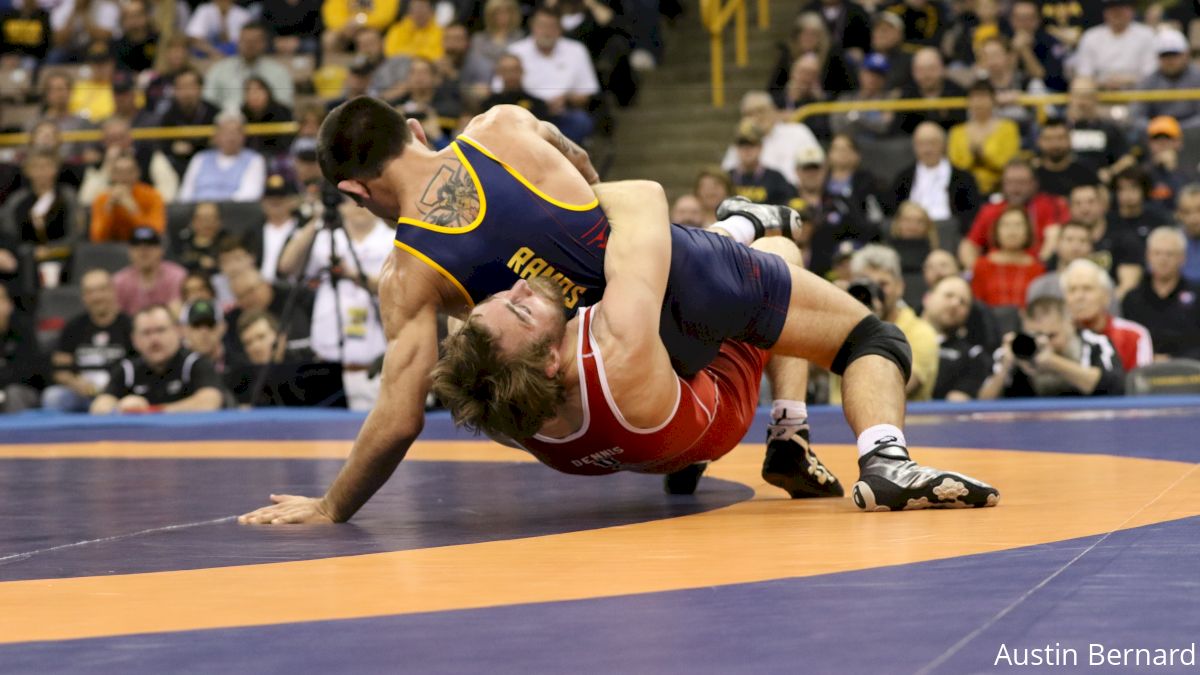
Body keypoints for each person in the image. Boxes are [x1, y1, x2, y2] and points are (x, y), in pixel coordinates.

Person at [239, 99, 998, 525]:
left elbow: (401, 417)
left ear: (354, 192)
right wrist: (571, 214)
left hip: (604, 369)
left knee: (509, 385)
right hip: (662, 292)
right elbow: (595, 173)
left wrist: (335, 505)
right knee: (860, 328)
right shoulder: (499, 126)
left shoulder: (408, 276)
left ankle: (738, 234)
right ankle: (869, 450)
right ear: (412, 129)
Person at [431, 191, 841, 497]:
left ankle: (691, 459)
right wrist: (532, 188)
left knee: (594, 287)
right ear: (550, 360)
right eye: (522, 311)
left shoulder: (503, 417)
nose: (517, 288)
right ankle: (790, 436)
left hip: (648, 449)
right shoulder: (615, 350)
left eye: (498, 300)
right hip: (718, 403)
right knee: (777, 253)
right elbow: (644, 203)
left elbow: (463, 323)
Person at [277, 198, 392, 411]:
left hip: (376, 365)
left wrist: (353, 275)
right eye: (349, 200)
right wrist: (317, 220)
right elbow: (286, 266)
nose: (358, 207)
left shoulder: (391, 238)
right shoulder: (328, 237)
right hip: (327, 366)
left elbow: (398, 287)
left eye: (364, 200)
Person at [843, 244, 940, 402]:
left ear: (900, 287)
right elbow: (809, 368)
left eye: (883, 284)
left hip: (899, 425)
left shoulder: (921, 333)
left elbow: (886, 392)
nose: (875, 291)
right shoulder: (840, 325)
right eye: (866, 283)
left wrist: (869, 325)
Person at [977, 296, 1124, 399]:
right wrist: (1005, 367)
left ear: (1070, 326)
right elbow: (983, 402)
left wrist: (1053, 362)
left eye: (1052, 336)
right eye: (1036, 335)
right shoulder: (1013, 350)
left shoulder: (1095, 343)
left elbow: (1115, 386)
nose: (1044, 342)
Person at [90, 304, 225, 414]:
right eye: (146, 333)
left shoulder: (194, 363)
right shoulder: (127, 370)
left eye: (161, 330)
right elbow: (99, 406)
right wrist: (119, 409)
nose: (154, 340)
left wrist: (150, 411)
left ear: (178, 332)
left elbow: (209, 402)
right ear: (134, 340)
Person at [506, 4, 599, 145]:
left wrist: (566, 99)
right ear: (532, 26)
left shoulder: (577, 50)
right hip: (526, 112)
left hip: (563, 114)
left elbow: (587, 92)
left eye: (552, 26)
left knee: (581, 121)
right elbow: (501, 88)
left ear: (560, 29)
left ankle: (554, 157)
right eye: (542, 25)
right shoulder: (515, 51)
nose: (547, 31)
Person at [42, 269, 132, 412]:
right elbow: (59, 370)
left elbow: (140, 366)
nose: (96, 297)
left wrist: (114, 387)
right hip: (81, 393)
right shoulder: (73, 327)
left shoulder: (129, 325)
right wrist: (74, 382)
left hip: (118, 394)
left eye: (102, 290)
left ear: (114, 291)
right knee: (52, 397)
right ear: (83, 297)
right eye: (89, 292)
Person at [959, 160, 1068, 271]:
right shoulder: (990, 210)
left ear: (1034, 183)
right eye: (1010, 182)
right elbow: (969, 245)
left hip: (1035, 269)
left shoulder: (1048, 205)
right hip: (995, 271)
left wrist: (1041, 266)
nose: (1015, 188)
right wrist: (977, 270)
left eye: (1021, 182)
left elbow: (1053, 237)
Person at [887, 122, 980, 249]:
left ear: (943, 145)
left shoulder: (963, 178)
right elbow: (893, 210)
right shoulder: (903, 178)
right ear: (914, 146)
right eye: (921, 144)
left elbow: (971, 214)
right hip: (910, 234)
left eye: (932, 143)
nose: (927, 149)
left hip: (949, 234)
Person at [1120, 227, 1200, 361]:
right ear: (1148, 256)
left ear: (1182, 258)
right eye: (1157, 253)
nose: (1163, 260)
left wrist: (1172, 360)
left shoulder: (1197, 295)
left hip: (1191, 372)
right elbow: (1126, 342)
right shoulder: (1132, 298)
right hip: (1142, 371)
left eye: (1169, 254)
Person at [1062, 258, 1153, 371]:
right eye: (1072, 290)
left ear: (1106, 297)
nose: (1079, 297)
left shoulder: (1133, 335)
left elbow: (1140, 385)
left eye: (1087, 289)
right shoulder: (1055, 337)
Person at [922, 275, 991, 401]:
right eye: (948, 295)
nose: (955, 304)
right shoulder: (898, 337)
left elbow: (955, 407)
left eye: (963, 302)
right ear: (927, 298)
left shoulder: (973, 357)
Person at [947, 81, 1020, 196]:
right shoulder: (957, 131)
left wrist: (984, 156)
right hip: (964, 190)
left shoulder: (1008, 128)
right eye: (974, 97)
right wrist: (972, 158)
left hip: (999, 188)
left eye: (983, 97)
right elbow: (954, 166)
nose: (979, 102)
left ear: (993, 100)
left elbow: (1008, 163)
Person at [202, 23, 294, 112]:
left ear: (264, 43)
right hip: (228, 123)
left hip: (267, 123)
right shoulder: (219, 70)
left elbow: (284, 104)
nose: (250, 45)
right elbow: (208, 101)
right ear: (238, 42)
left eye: (254, 41)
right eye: (245, 41)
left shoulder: (279, 72)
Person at [178, 112, 267, 203]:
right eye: (226, 132)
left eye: (235, 132)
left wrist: (216, 209)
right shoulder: (200, 158)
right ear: (216, 136)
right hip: (197, 212)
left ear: (243, 136)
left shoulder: (255, 160)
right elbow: (186, 193)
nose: (231, 137)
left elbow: (250, 194)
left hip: (234, 212)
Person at [1071, 0, 1156, 91]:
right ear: (1105, 12)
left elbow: (1151, 73)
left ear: (1131, 10)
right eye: (1112, 8)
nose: (1117, 12)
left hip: (1139, 94)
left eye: (1122, 7)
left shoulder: (1147, 35)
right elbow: (1084, 73)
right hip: (1099, 95)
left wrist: (1127, 80)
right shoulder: (1091, 36)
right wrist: (1103, 83)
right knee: (1079, 85)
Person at [970, 208, 1045, 308]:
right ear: (997, 230)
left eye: (1018, 225)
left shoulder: (1038, 269)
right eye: (1006, 225)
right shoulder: (982, 266)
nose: (1012, 231)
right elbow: (976, 303)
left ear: (1028, 230)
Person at [1130, 30, 1200, 131]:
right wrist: (1159, 128)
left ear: (1186, 55)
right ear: (1158, 58)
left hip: (1191, 133)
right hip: (1157, 134)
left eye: (1175, 55)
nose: (1170, 60)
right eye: (1165, 55)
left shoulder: (1197, 77)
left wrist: (1175, 129)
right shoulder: (1149, 80)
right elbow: (1136, 116)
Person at [89, 154, 166, 243]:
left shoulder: (152, 196)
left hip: (142, 247)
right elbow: (97, 238)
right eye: (119, 172)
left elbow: (156, 234)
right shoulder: (102, 199)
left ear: (138, 173)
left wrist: (133, 210)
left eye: (129, 172)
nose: (124, 177)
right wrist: (108, 212)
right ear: (111, 175)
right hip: (112, 251)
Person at [112, 227, 188, 316]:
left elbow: (178, 315)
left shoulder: (177, 276)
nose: (143, 251)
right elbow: (116, 317)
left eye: (149, 246)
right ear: (130, 252)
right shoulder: (119, 281)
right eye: (137, 246)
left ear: (161, 250)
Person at [1025, 221, 1094, 305]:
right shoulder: (1041, 287)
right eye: (1069, 240)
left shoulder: (1102, 285)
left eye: (1082, 241)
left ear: (1091, 248)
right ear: (1057, 244)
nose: (1076, 247)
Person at [727, 121, 796, 206]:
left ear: (761, 147)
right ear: (736, 148)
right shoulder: (726, 178)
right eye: (742, 144)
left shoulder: (776, 178)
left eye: (752, 144)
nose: (747, 149)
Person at [0, 283, 42, 413]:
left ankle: (13, 433)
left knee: (13, 393)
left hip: (23, 391)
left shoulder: (23, 332)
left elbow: (29, 374)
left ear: (9, 305)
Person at [1033, 117, 1098, 199]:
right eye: (1048, 139)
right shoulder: (1032, 175)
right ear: (1039, 142)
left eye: (1060, 138)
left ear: (1070, 140)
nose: (1055, 144)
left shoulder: (1086, 172)